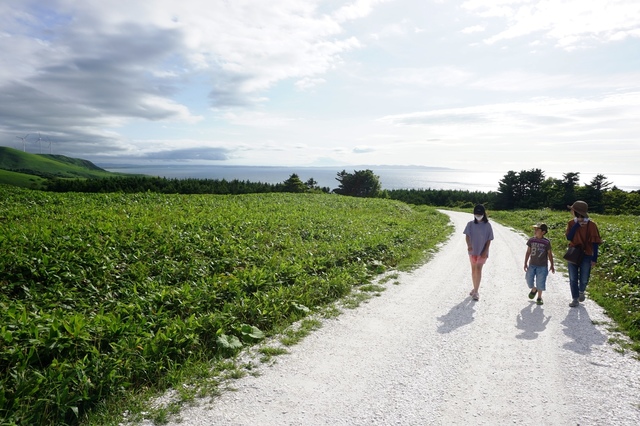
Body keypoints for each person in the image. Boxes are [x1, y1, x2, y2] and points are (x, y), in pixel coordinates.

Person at [565, 201, 603, 307]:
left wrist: (594, 258)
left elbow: (595, 242)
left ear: (576, 211)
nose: (571, 211)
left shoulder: (592, 225)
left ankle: (581, 291)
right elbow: (569, 237)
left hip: (587, 254)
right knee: (573, 278)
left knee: (584, 278)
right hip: (573, 253)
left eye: (572, 209)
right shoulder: (571, 223)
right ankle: (575, 299)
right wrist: (577, 225)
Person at [463, 204, 494, 301]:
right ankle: (474, 287)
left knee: (478, 269)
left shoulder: (488, 225)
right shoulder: (470, 224)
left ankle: (476, 291)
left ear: (484, 214)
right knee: (473, 270)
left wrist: (485, 251)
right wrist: (469, 245)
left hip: (482, 252)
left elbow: (489, 240)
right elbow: (467, 236)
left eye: (480, 214)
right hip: (472, 251)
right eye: (476, 214)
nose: (478, 216)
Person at [524, 223, 555, 305]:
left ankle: (539, 297)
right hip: (532, 264)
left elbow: (549, 254)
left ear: (543, 232)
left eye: (537, 229)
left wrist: (552, 265)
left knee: (540, 282)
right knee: (528, 278)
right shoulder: (531, 240)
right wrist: (525, 263)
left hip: (542, 266)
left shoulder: (546, 242)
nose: (535, 231)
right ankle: (534, 289)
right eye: (535, 229)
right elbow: (528, 252)